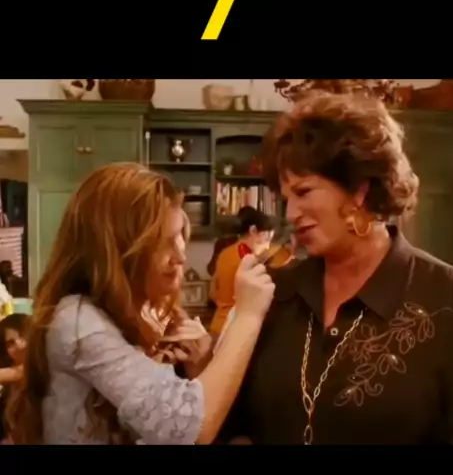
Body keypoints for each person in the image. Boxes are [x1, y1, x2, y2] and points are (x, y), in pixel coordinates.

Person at [218, 90, 453, 445]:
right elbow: (233, 424)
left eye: (304, 192)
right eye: (286, 198)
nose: (291, 213)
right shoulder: (275, 293)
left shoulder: (452, 299)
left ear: (359, 188)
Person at [5, 163, 275, 445]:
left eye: (180, 237)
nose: (181, 256)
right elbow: (188, 426)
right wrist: (248, 314)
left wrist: (201, 365)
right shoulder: (78, 321)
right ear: (117, 249)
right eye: (164, 242)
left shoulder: (120, 314)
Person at [210, 206, 274, 338]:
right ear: (253, 230)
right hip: (235, 329)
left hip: (218, 325)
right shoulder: (248, 261)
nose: (267, 246)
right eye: (266, 238)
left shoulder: (225, 253)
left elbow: (213, 293)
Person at [0, 313, 29, 443]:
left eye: (23, 335)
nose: (19, 344)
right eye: (10, 343)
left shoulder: (41, 368)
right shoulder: (9, 387)